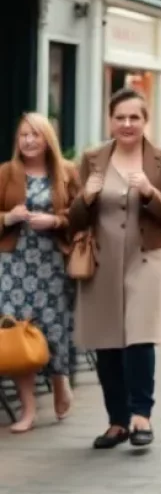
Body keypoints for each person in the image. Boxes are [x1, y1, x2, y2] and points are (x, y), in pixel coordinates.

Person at [67, 88, 161, 450]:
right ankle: (117, 421)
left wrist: (151, 193)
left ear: (144, 121)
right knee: (107, 340)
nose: (126, 124)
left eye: (134, 117)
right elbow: (73, 219)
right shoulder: (93, 159)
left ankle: (141, 416)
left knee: (140, 335)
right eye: (120, 117)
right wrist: (86, 197)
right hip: (102, 261)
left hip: (147, 257)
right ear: (110, 120)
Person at [0, 113, 79, 432]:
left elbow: (82, 215)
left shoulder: (67, 173)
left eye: (35, 134)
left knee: (54, 329)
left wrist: (55, 221)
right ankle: (28, 411)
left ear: (48, 139)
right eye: (23, 135)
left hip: (53, 265)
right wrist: (8, 218)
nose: (29, 140)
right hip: (14, 265)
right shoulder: (6, 173)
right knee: (18, 333)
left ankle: (61, 382)